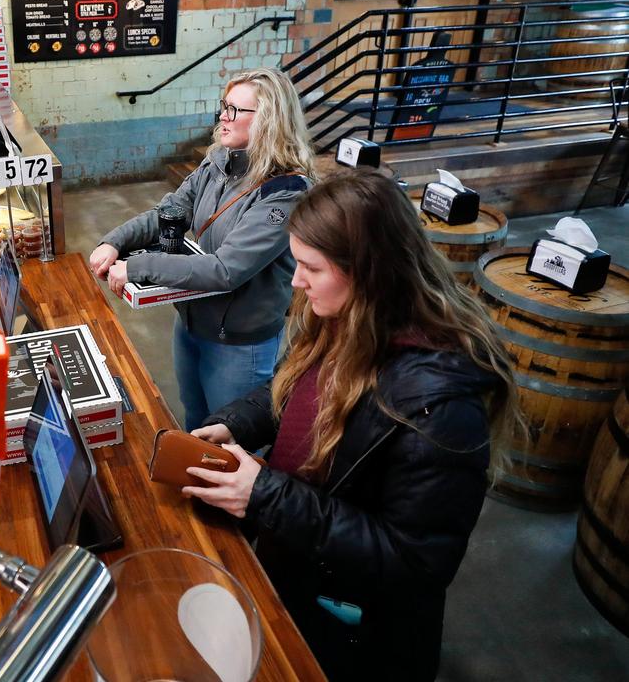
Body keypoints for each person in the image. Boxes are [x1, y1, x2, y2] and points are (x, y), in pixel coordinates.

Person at [183, 172, 524, 681]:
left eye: (310, 267)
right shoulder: (347, 318)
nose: (296, 281)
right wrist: (236, 424)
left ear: (368, 271)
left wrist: (267, 495)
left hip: (355, 632)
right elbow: (295, 385)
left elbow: (415, 563)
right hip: (299, 567)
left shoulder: (440, 407)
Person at [88, 68, 317, 430]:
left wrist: (139, 267)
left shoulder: (285, 192)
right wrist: (115, 241)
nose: (223, 117)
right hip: (192, 322)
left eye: (235, 110)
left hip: (238, 344)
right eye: (224, 106)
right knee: (194, 421)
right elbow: (171, 213)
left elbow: (225, 271)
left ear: (269, 120)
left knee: (230, 437)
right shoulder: (219, 161)